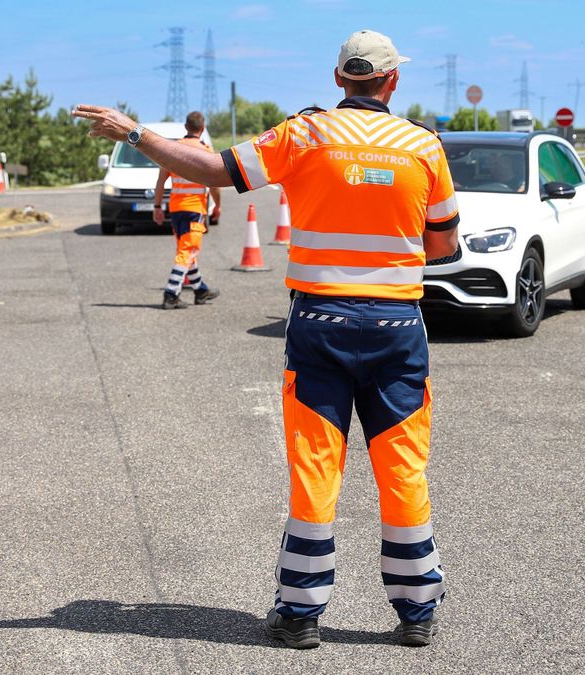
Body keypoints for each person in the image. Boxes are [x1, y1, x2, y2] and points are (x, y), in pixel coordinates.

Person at [73, 29, 459, 649]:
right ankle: (416, 614)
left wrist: (134, 132)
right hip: (397, 329)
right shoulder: (423, 147)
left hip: (319, 326)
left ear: (339, 80)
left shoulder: (304, 135)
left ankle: (301, 614)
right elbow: (443, 243)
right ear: (392, 81)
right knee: (402, 469)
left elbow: (211, 169)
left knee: (315, 469)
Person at [152, 111, 221, 309]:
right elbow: (214, 184)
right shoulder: (205, 151)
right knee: (187, 251)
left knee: (186, 251)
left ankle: (200, 290)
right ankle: (171, 294)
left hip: (175, 209)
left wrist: (157, 206)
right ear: (203, 128)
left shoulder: (171, 150)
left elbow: (160, 181)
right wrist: (218, 205)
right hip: (195, 209)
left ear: (185, 127)